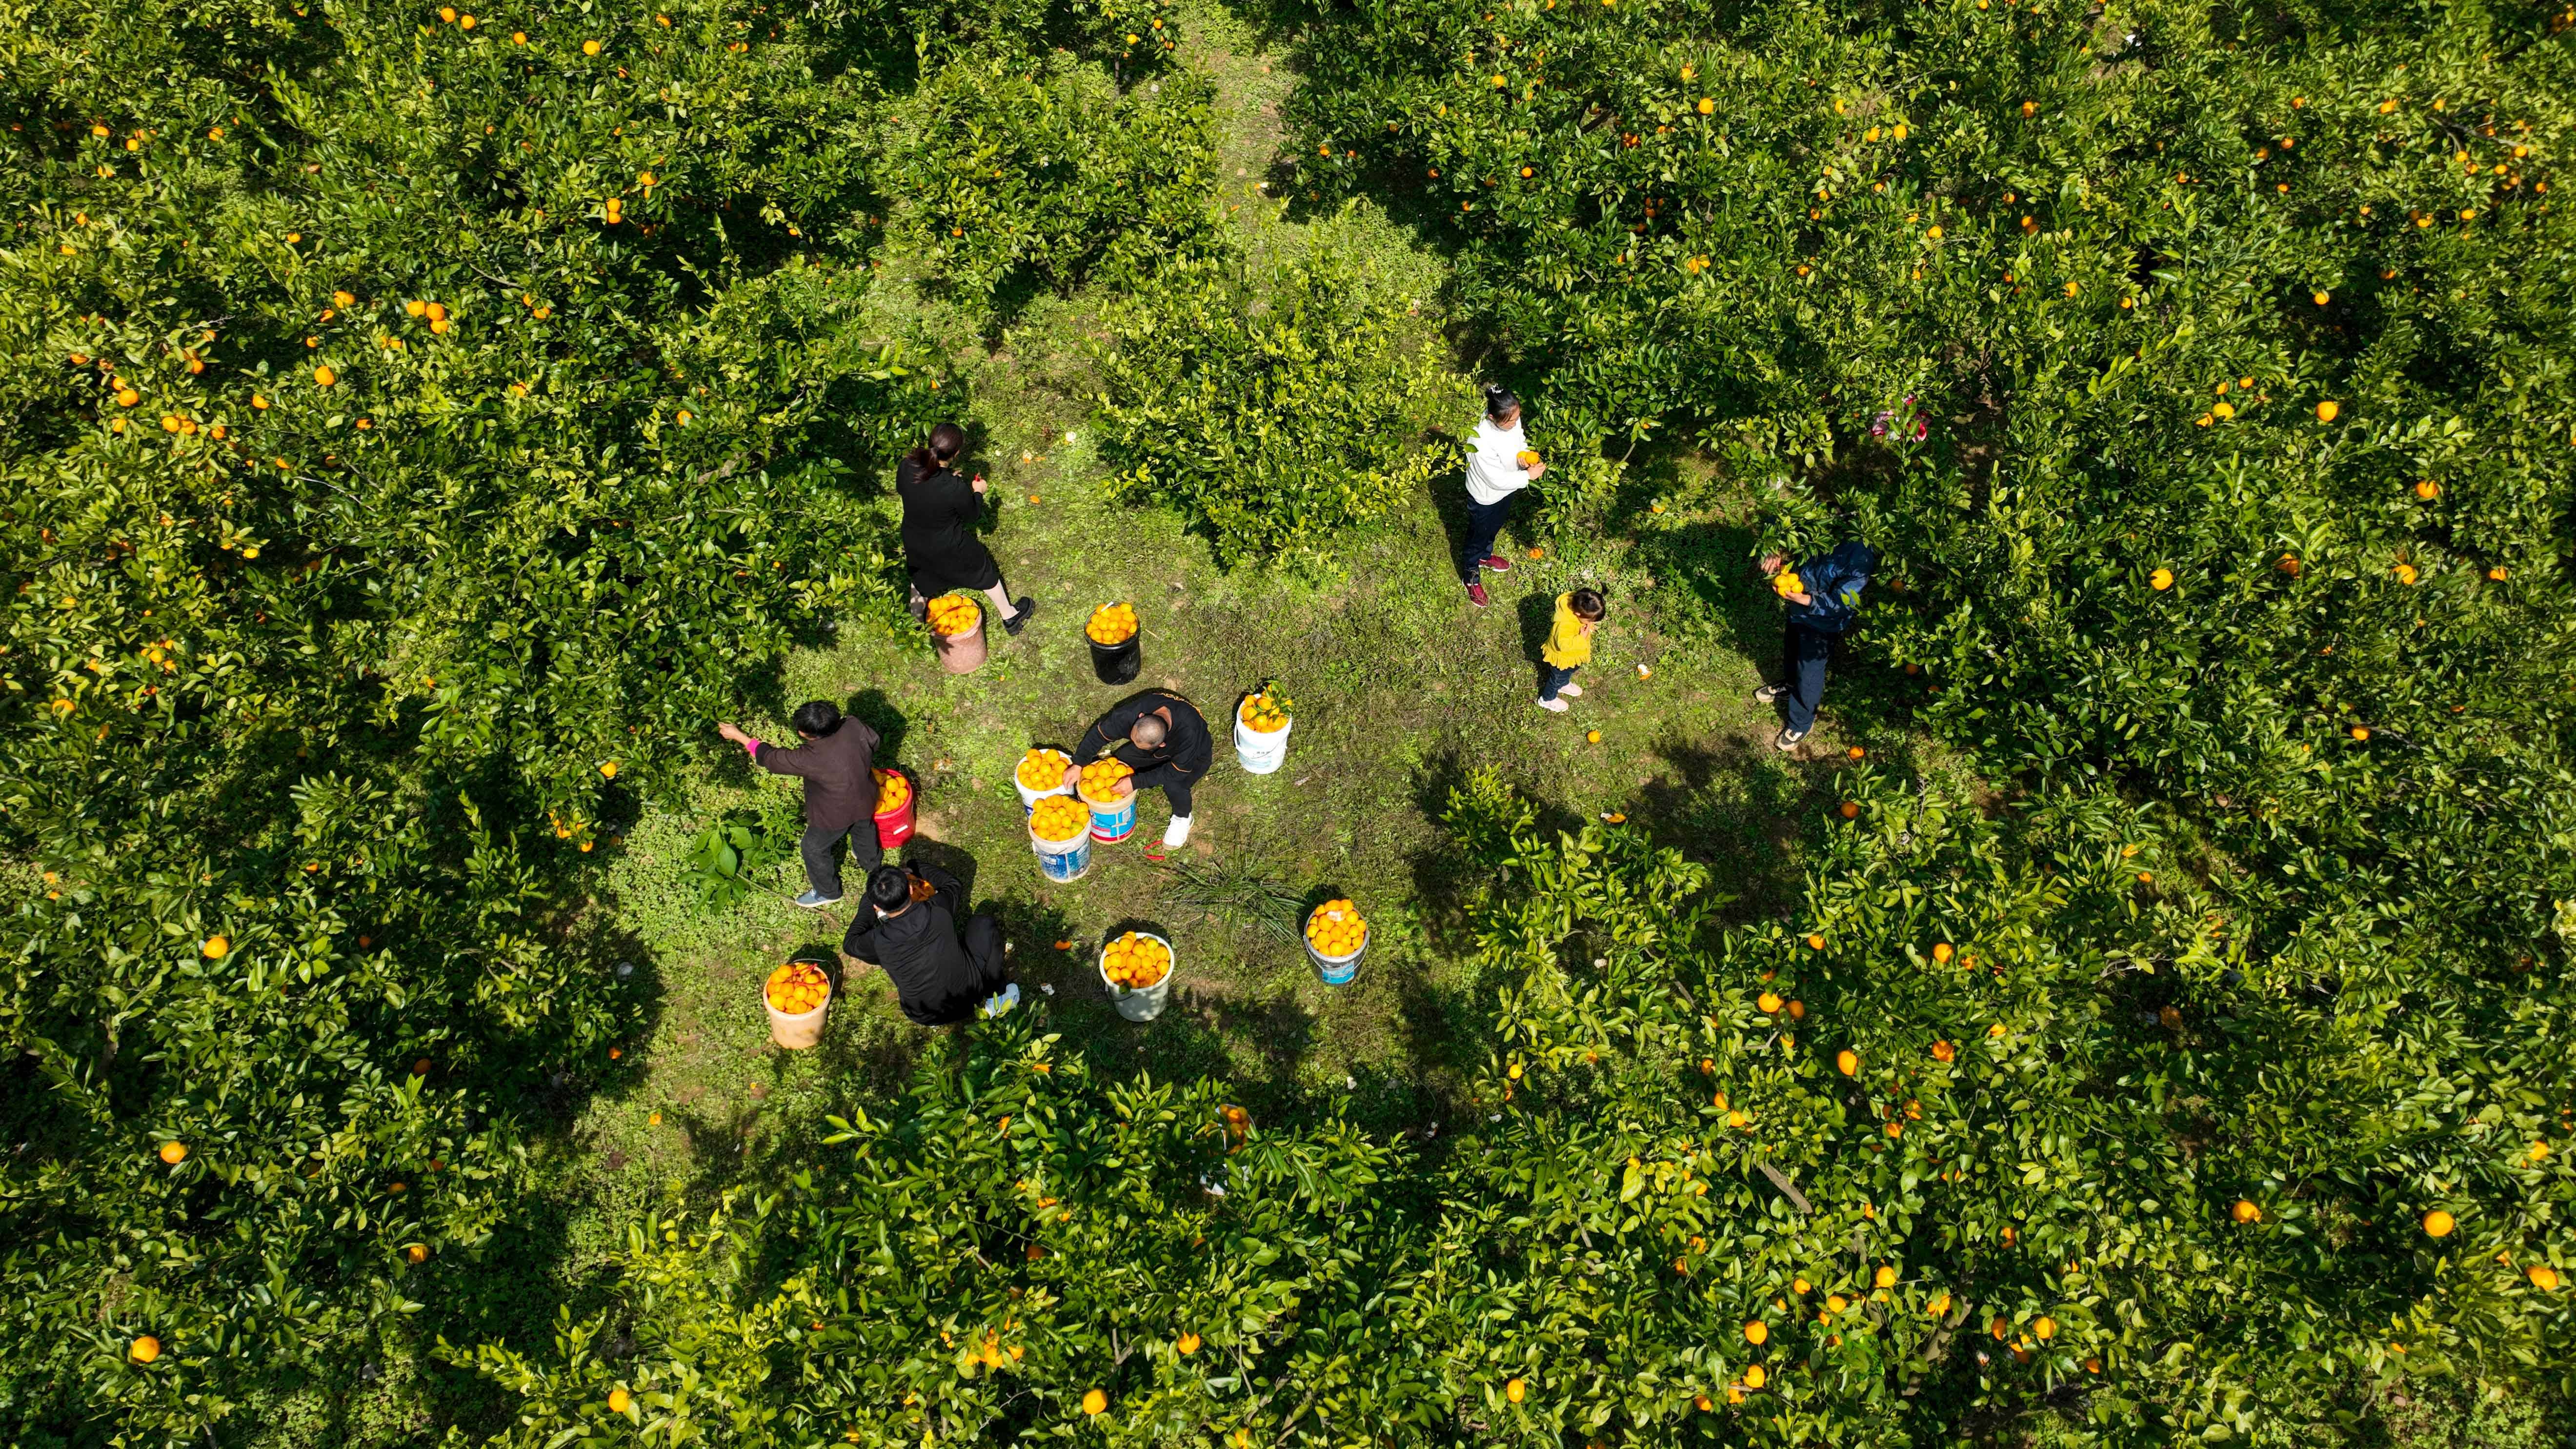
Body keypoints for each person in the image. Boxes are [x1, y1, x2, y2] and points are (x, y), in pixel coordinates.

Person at [716, 701, 880, 907]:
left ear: (803, 734)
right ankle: (871, 861)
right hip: (866, 795)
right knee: (863, 825)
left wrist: (739, 736)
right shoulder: (853, 725)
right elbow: (875, 742)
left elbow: (769, 757)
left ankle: (828, 892)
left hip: (834, 814)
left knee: (812, 848)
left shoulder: (807, 758)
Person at [898, 422, 1035, 635]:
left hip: (914, 540)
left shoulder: (907, 465)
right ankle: (1011, 617)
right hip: (948, 546)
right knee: (984, 571)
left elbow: (910, 489)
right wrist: (978, 493)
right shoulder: (954, 488)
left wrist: (947, 477)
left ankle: (914, 625)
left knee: (920, 578)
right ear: (957, 453)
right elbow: (972, 515)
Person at [843, 864, 1016, 1025]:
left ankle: (937, 1023)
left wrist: (869, 898)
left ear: (877, 907)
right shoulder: (937, 908)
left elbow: (849, 943)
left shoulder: (877, 941)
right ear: (911, 889)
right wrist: (916, 867)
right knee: (983, 925)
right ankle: (998, 996)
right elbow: (952, 884)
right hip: (969, 997)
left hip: (922, 1014)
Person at [1756, 541, 1879, 751]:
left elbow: (1844, 601)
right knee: (1792, 650)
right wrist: (1772, 549)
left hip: (1824, 621)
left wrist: (1804, 600)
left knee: (1809, 671)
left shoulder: (1860, 553)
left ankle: (1801, 722)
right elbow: (1779, 524)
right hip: (1799, 606)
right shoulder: (1817, 520)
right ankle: (1790, 684)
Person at [1066, 689, 1211, 858]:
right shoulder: (1129, 714)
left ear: (1162, 745)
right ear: (1141, 716)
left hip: (1196, 757)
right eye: (1133, 739)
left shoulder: (1189, 733)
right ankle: (1143, 765)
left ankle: (1183, 818)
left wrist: (1136, 782)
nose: (1132, 742)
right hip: (1157, 748)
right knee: (1123, 758)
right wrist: (1078, 763)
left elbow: (1175, 773)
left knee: (1175, 785)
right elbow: (1099, 734)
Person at [1460, 382, 1545, 609]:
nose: (1516, 423)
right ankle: (1470, 573)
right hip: (1486, 496)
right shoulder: (1479, 441)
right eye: (1511, 421)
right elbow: (1495, 480)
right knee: (1478, 535)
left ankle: (1484, 556)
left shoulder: (1511, 419)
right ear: (1492, 417)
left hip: (1506, 491)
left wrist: (1524, 454)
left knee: (1493, 528)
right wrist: (1528, 476)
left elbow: (1519, 439)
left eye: (1518, 418)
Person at [1536, 587, 1605, 714]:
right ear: (1578, 614)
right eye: (1590, 620)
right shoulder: (1564, 625)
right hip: (1562, 658)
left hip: (1572, 656)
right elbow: (1564, 645)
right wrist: (1581, 638)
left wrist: (1588, 627)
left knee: (1571, 670)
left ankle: (1563, 684)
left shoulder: (1580, 604)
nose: (1590, 623)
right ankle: (1547, 699)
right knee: (1556, 679)